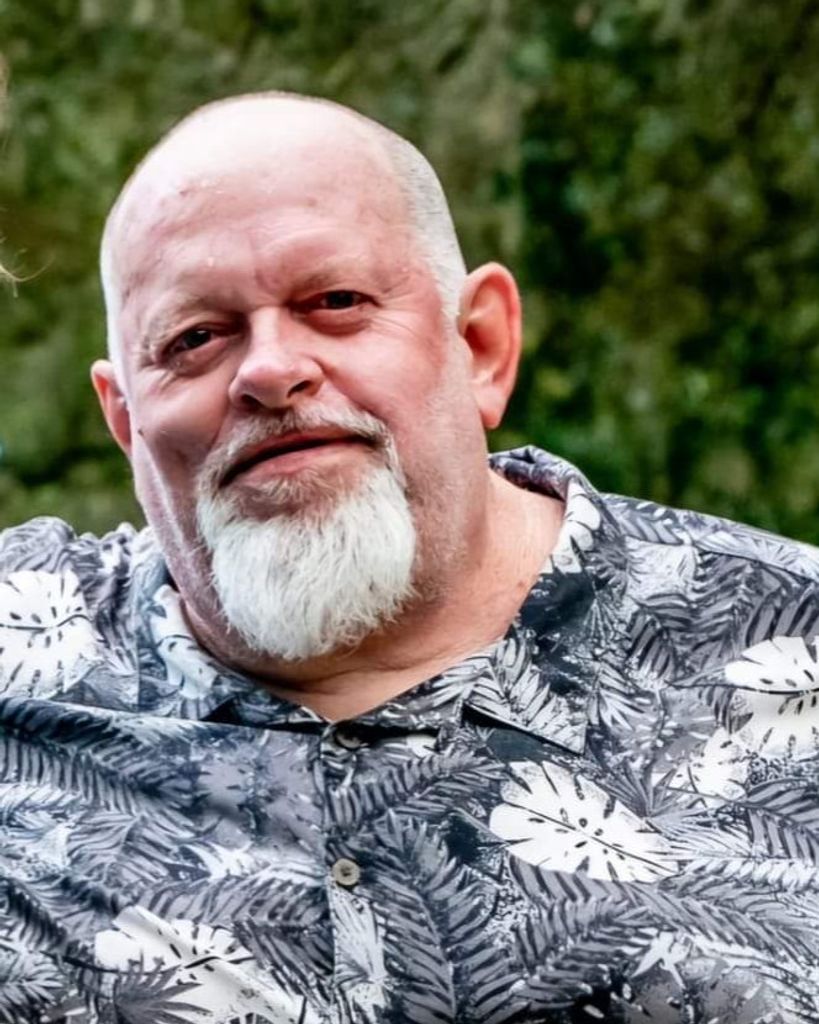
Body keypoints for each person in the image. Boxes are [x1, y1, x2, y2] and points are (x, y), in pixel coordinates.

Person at [1, 93, 819, 1024]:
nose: (269, 370)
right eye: (195, 340)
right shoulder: (24, 648)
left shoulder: (791, 653)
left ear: (480, 346)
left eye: (335, 303)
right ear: (125, 423)